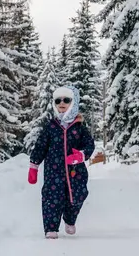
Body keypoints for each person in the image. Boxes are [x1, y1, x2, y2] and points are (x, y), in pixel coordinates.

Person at [28, 85, 95, 239]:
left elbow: (89, 144)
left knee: (78, 196)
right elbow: (40, 146)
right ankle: (51, 228)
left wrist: (81, 155)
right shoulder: (51, 127)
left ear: (73, 102)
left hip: (75, 172)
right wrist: (34, 166)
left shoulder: (79, 127)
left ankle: (70, 219)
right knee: (52, 198)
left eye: (66, 100)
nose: (61, 103)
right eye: (58, 100)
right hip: (54, 171)